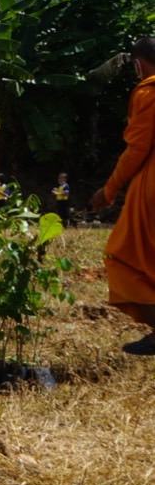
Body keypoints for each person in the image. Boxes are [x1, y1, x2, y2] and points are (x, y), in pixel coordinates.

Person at [90, 38, 155, 354]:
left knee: (124, 255)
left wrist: (110, 189)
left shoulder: (149, 91)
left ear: (139, 63)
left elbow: (138, 148)